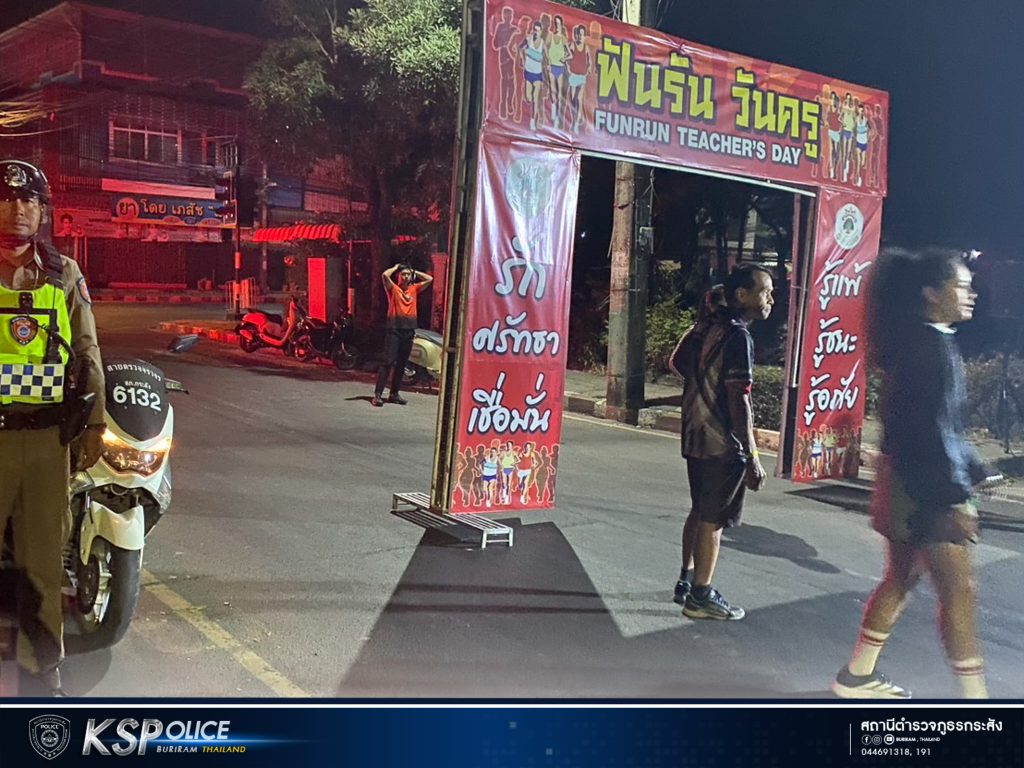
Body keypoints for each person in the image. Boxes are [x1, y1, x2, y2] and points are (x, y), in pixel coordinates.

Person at [832, 247, 997, 699]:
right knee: (959, 591)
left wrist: (974, 467)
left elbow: (933, 425)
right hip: (927, 491)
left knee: (902, 578)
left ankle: (856, 676)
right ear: (931, 293)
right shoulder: (931, 349)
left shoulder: (922, 342)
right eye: (962, 286)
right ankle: (977, 702)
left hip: (906, 481)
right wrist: (954, 498)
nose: (971, 294)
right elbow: (931, 432)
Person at [0, 160, 105, 696]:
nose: (17, 209)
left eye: (29, 200)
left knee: (42, 562)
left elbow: (87, 351)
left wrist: (95, 422)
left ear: (43, 212)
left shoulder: (64, 273)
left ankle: (41, 669)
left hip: (46, 441)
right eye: (7, 198)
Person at [669, 264, 774, 620]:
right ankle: (700, 596)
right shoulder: (737, 337)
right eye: (765, 292)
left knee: (699, 509)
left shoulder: (705, 329)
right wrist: (753, 454)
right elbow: (739, 399)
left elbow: (676, 362)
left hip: (694, 433)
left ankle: (685, 581)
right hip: (720, 442)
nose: (770, 299)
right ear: (742, 295)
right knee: (713, 520)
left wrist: (702, 389)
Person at [371, 262, 431, 408]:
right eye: (403, 274)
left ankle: (394, 394)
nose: (405, 277)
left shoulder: (414, 289)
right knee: (388, 362)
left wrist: (414, 271)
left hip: (409, 331)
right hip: (394, 330)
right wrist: (395, 267)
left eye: (408, 275)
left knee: (402, 364)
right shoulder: (393, 289)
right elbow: (385, 275)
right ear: (398, 276)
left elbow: (429, 279)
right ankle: (378, 394)